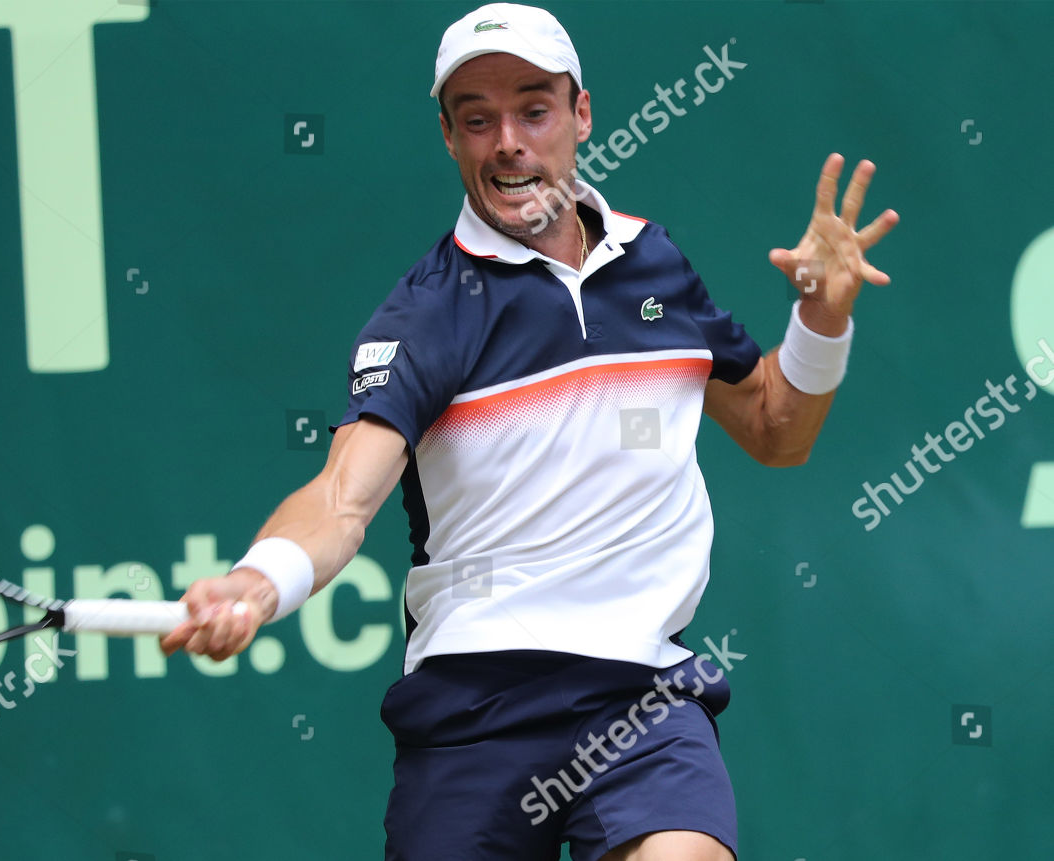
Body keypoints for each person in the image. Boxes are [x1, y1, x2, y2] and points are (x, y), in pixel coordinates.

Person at [160, 4, 898, 859]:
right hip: (475, 705)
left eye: (532, 109)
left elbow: (778, 428)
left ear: (581, 114)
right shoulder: (427, 315)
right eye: (477, 118)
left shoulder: (654, 265)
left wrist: (820, 319)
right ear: (448, 136)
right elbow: (340, 498)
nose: (507, 140)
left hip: (643, 696)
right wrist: (259, 580)